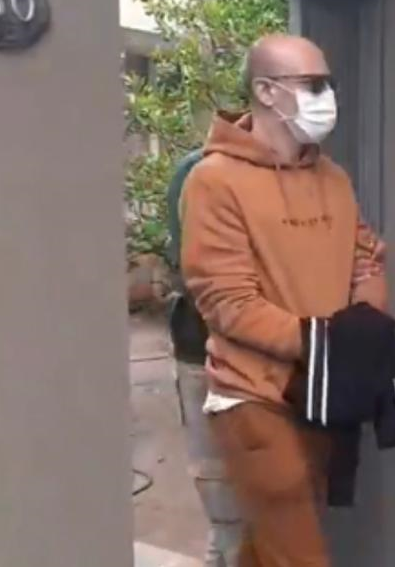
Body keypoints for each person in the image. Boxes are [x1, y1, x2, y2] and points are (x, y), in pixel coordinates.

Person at [180, 34, 387, 567]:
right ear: (266, 91)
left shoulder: (334, 179)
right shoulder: (213, 181)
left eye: (329, 84)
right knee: (298, 552)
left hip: (322, 394)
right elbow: (227, 302)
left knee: (274, 543)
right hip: (254, 397)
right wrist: (328, 343)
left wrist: (365, 326)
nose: (328, 97)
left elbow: (367, 260)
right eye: (314, 85)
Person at [167, 149, 245, 567]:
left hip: (198, 340)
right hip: (216, 346)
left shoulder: (191, 169)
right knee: (227, 490)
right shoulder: (205, 174)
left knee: (222, 495)